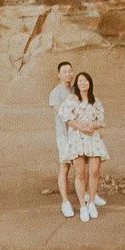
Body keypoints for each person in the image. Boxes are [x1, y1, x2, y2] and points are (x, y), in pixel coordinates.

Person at [62, 72, 109, 222]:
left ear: (89, 83)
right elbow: (66, 117)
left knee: (94, 171)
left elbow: (101, 120)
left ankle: (91, 202)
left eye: (86, 80)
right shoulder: (72, 99)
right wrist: (81, 128)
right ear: (77, 84)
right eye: (80, 81)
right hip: (77, 138)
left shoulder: (95, 101)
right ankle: (82, 205)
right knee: (80, 174)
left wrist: (93, 125)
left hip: (92, 138)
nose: (83, 83)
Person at [48, 62, 77, 216]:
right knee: (65, 167)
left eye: (69, 71)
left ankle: (85, 195)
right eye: (64, 71)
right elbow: (63, 114)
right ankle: (65, 202)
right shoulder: (55, 93)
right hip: (64, 135)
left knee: (81, 166)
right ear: (59, 74)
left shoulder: (76, 90)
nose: (67, 74)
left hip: (77, 134)